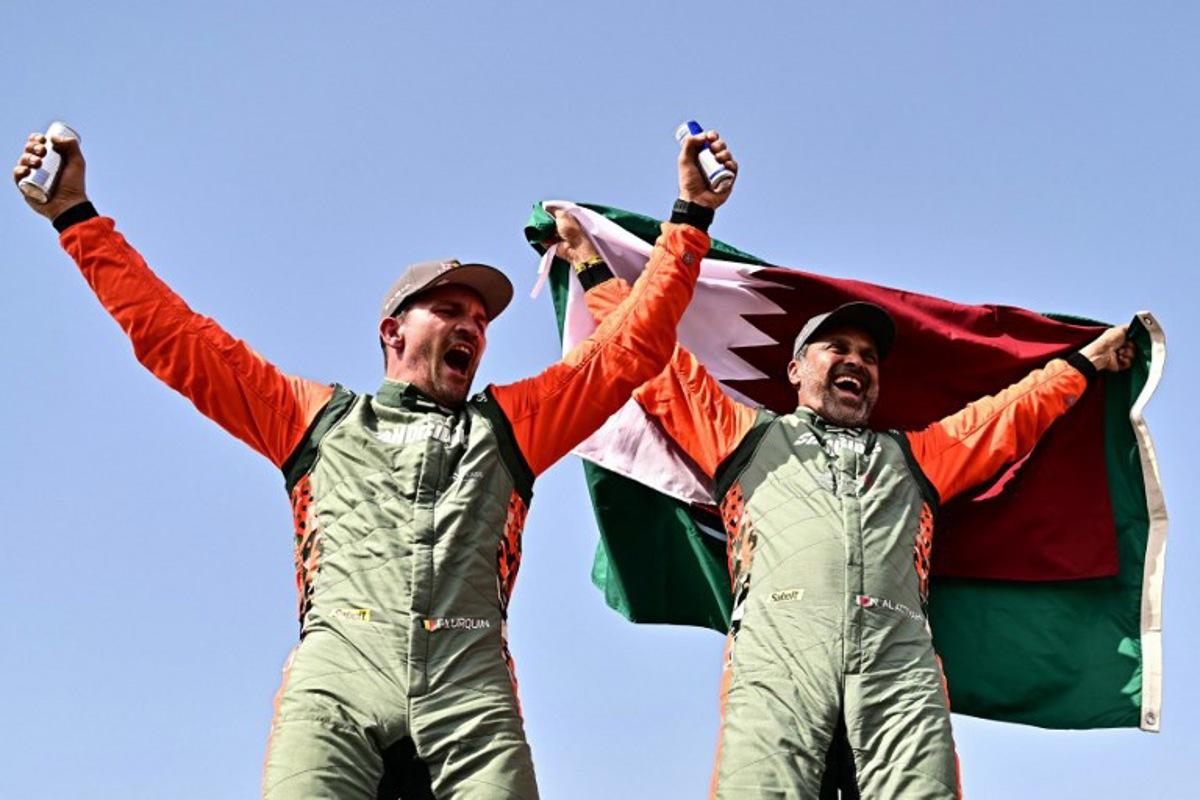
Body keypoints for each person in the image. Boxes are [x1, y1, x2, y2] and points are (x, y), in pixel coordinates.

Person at [12, 128, 737, 799]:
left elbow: (627, 352)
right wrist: (78, 219)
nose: (472, 328)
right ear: (394, 330)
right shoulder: (312, 417)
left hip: (470, 681)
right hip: (338, 676)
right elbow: (175, 339)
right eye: (451, 310)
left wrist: (689, 220)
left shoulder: (511, 425)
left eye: (481, 322)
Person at [576, 270, 1134, 798]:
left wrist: (1084, 364)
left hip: (900, 666)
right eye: (836, 348)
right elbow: (653, 357)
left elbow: (1007, 416)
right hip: (777, 660)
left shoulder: (917, 458)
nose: (856, 361)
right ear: (796, 370)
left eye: (868, 356)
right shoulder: (742, 437)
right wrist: (591, 268)